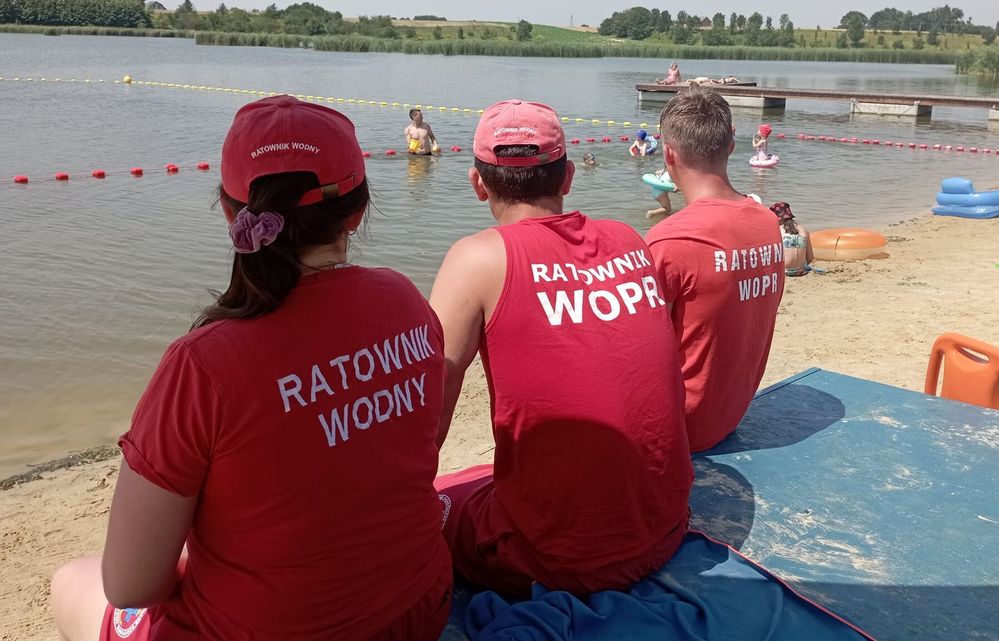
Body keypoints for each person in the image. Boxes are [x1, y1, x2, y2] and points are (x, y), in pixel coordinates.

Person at [50, 96, 453, 640]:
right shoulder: (405, 300)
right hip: (418, 612)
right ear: (357, 212)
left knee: (69, 581)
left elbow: (131, 585)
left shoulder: (203, 364)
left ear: (228, 212)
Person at [429, 99, 693, 597]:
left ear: (477, 183)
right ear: (567, 177)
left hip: (555, 559)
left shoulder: (477, 258)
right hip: (663, 527)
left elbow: (430, 398)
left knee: (437, 500)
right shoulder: (628, 239)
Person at [646, 88, 784, 452]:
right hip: (729, 413)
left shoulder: (669, 240)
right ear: (731, 146)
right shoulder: (768, 223)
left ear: (668, 153)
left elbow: (639, 355)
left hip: (682, 428)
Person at [771, 201, 814, 277]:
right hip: (800, 270)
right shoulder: (803, 230)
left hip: (784, 271)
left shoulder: (777, 231)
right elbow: (810, 258)